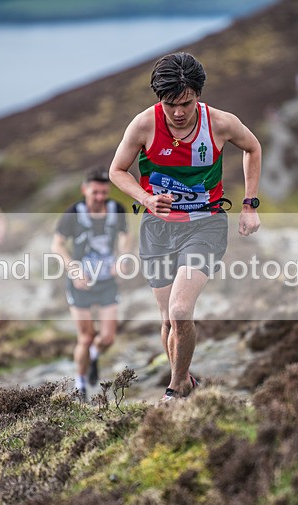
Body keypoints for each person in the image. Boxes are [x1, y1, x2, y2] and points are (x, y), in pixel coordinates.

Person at [109, 51, 261, 403]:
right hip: (157, 228)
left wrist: (249, 204)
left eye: (186, 103)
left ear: (198, 95)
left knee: (180, 311)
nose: (178, 112)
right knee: (167, 320)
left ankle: (175, 390)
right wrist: (146, 198)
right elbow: (117, 171)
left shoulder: (220, 123)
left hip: (205, 224)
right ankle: (188, 383)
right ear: (159, 98)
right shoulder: (144, 125)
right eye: (170, 103)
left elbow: (252, 147)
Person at [51, 168, 131, 399]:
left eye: (103, 192)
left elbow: (126, 235)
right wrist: (73, 269)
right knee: (85, 337)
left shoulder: (117, 209)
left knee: (107, 338)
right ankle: (81, 383)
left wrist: (123, 257)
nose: (99, 197)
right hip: (81, 283)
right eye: (95, 192)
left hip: (107, 281)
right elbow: (56, 245)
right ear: (84, 189)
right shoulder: (73, 214)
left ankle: (95, 355)